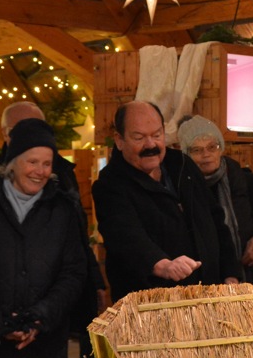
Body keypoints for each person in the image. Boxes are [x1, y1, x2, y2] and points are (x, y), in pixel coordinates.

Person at [0, 100, 106, 349]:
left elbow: (73, 268)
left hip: (48, 337)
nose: (40, 171)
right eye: (32, 162)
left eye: (46, 164)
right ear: (13, 161)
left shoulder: (61, 207)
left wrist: (39, 317)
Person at [91, 101, 239, 302]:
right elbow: (126, 238)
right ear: (119, 140)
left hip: (208, 298)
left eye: (157, 135)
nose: (150, 145)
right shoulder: (110, 184)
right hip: (152, 305)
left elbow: (216, 220)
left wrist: (231, 273)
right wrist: (163, 265)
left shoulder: (183, 165)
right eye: (139, 137)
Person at [177, 115, 253, 284]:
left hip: (248, 275)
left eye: (212, 147)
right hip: (202, 279)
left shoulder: (245, 181)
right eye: (197, 150)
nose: (206, 154)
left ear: (221, 148)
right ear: (186, 154)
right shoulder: (182, 188)